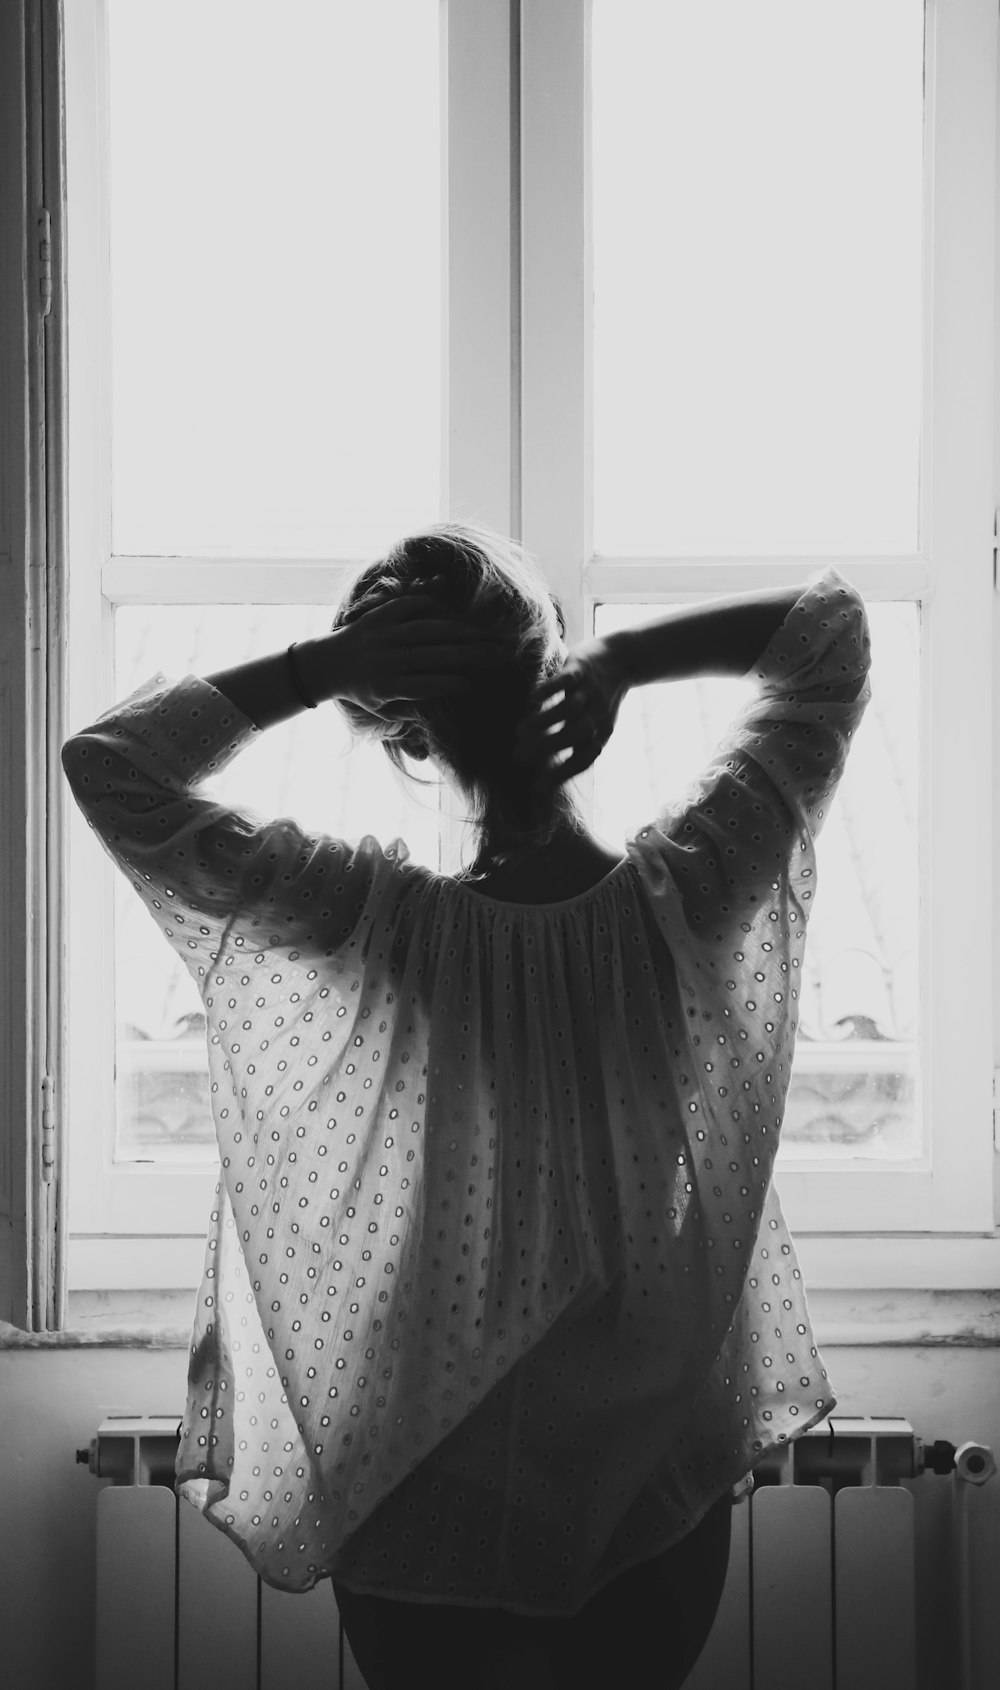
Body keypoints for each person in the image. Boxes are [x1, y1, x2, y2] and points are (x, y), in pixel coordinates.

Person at [61, 523, 871, 1689]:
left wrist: (317, 667)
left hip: (422, 1434)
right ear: (546, 663)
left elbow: (112, 764)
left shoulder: (374, 924)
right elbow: (827, 637)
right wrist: (627, 658)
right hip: (645, 1434)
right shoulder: (688, 896)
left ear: (401, 728)